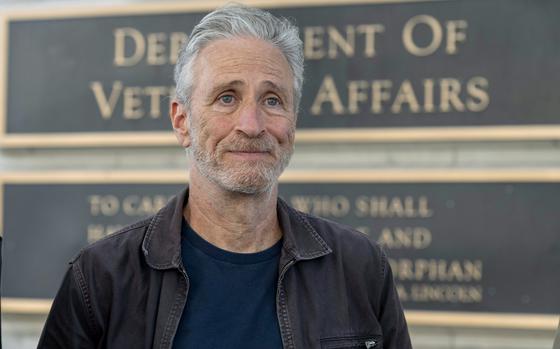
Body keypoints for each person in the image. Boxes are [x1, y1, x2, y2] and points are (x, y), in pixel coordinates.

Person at [38, 4, 411, 349]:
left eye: (272, 100)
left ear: (293, 122)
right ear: (181, 121)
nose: (252, 126)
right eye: (227, 98)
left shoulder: (360, 267)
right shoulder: (101, 278)